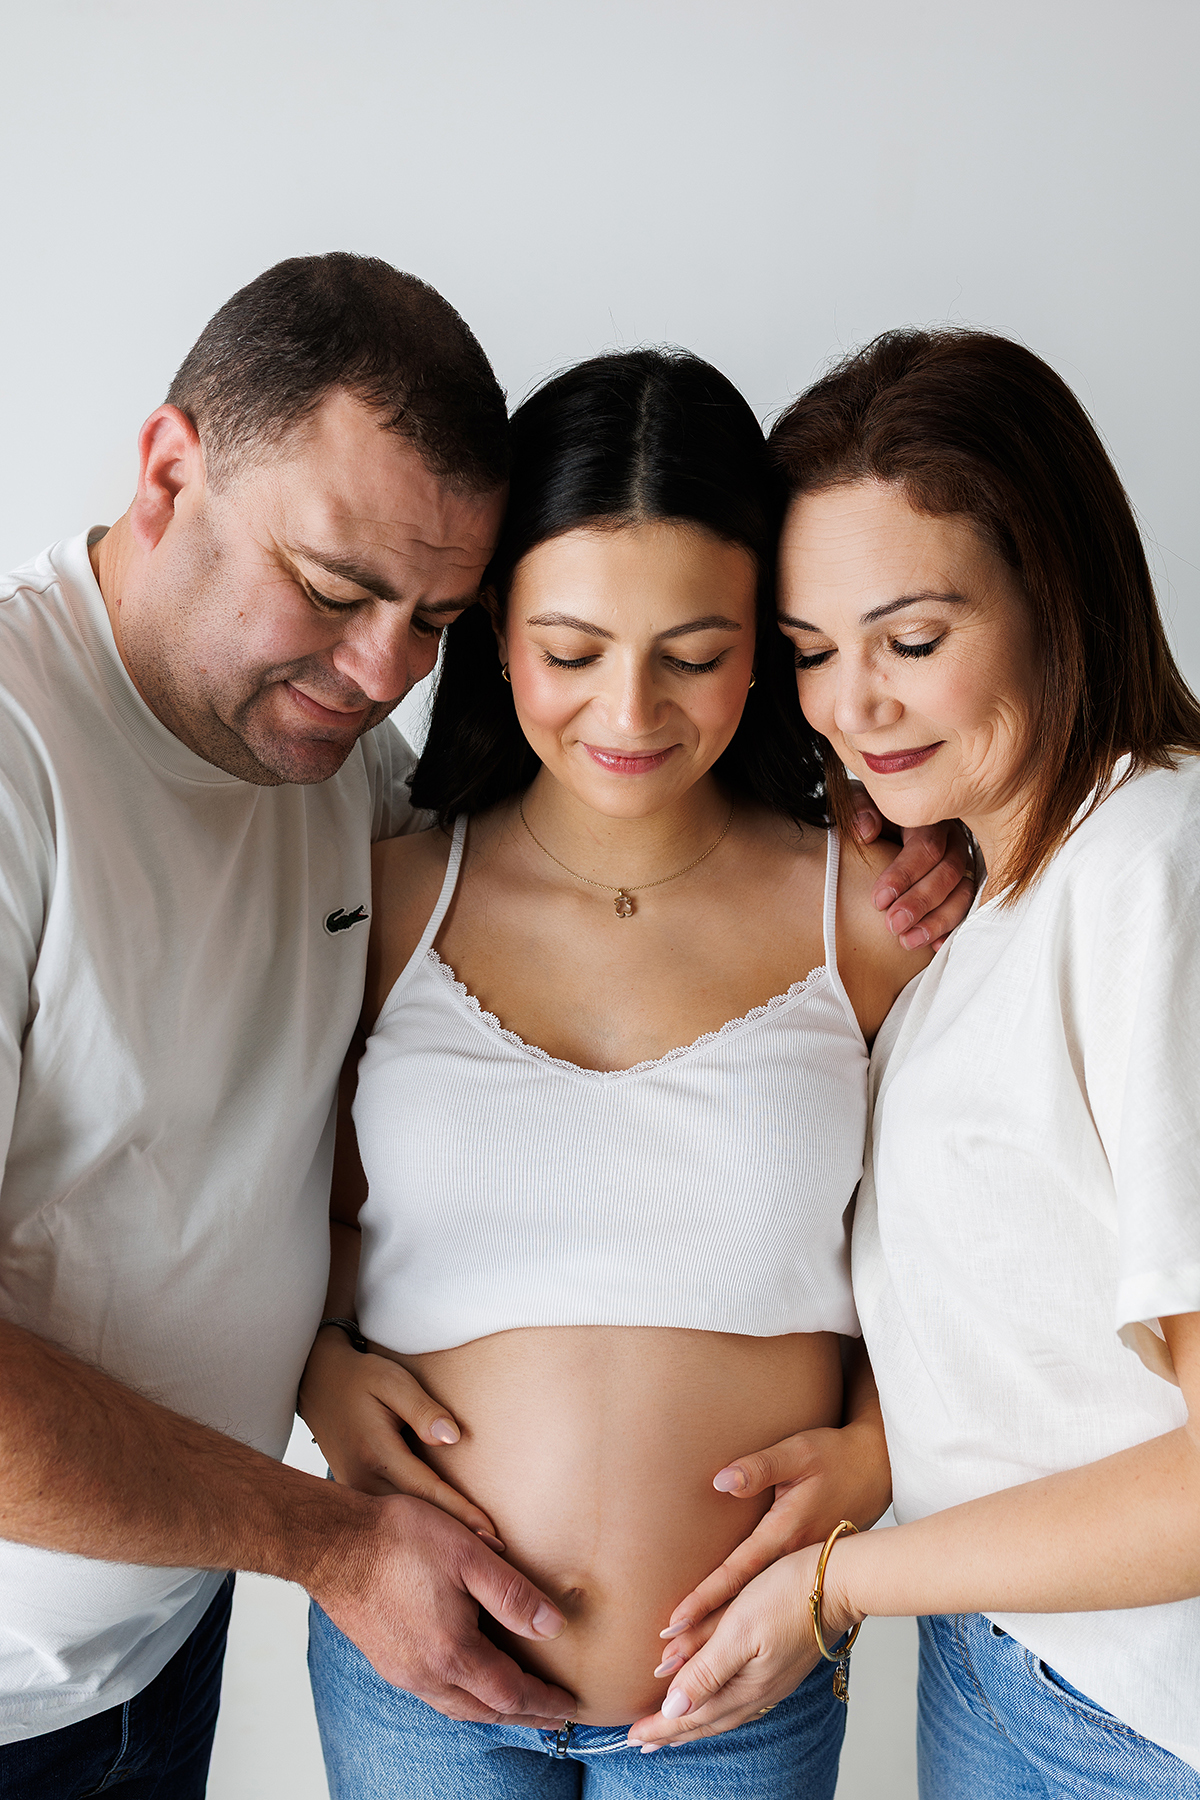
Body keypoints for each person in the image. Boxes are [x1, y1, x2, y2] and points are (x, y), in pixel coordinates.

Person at [298, 346, 976, 1798]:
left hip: (736, 1695)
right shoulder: (385, 900)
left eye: (694, 652)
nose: (629, 711)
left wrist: (878, 1457)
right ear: (493, 631)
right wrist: (316, 1375)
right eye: (571, 650)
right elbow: (295, 1216)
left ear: (767, 640)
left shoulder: (873, 915)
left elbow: (963, 1254)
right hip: (418, 1681)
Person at [0, 250, 594, 1796]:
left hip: (150, 1658)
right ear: (168, 473)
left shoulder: (335, 766)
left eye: (435, 618)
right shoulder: (18, 766)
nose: (385, 670)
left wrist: (868, 832)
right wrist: (328, 1543)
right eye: (334, 590)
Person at [627, 329, 1200, 1796]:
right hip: (1011, 1659)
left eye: (914, 641)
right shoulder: (999, 889)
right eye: (813, 653)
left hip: (1135, 1718)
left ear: (1058, 594)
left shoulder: (1153, 869)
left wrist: (836, 1585)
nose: (852, 706)